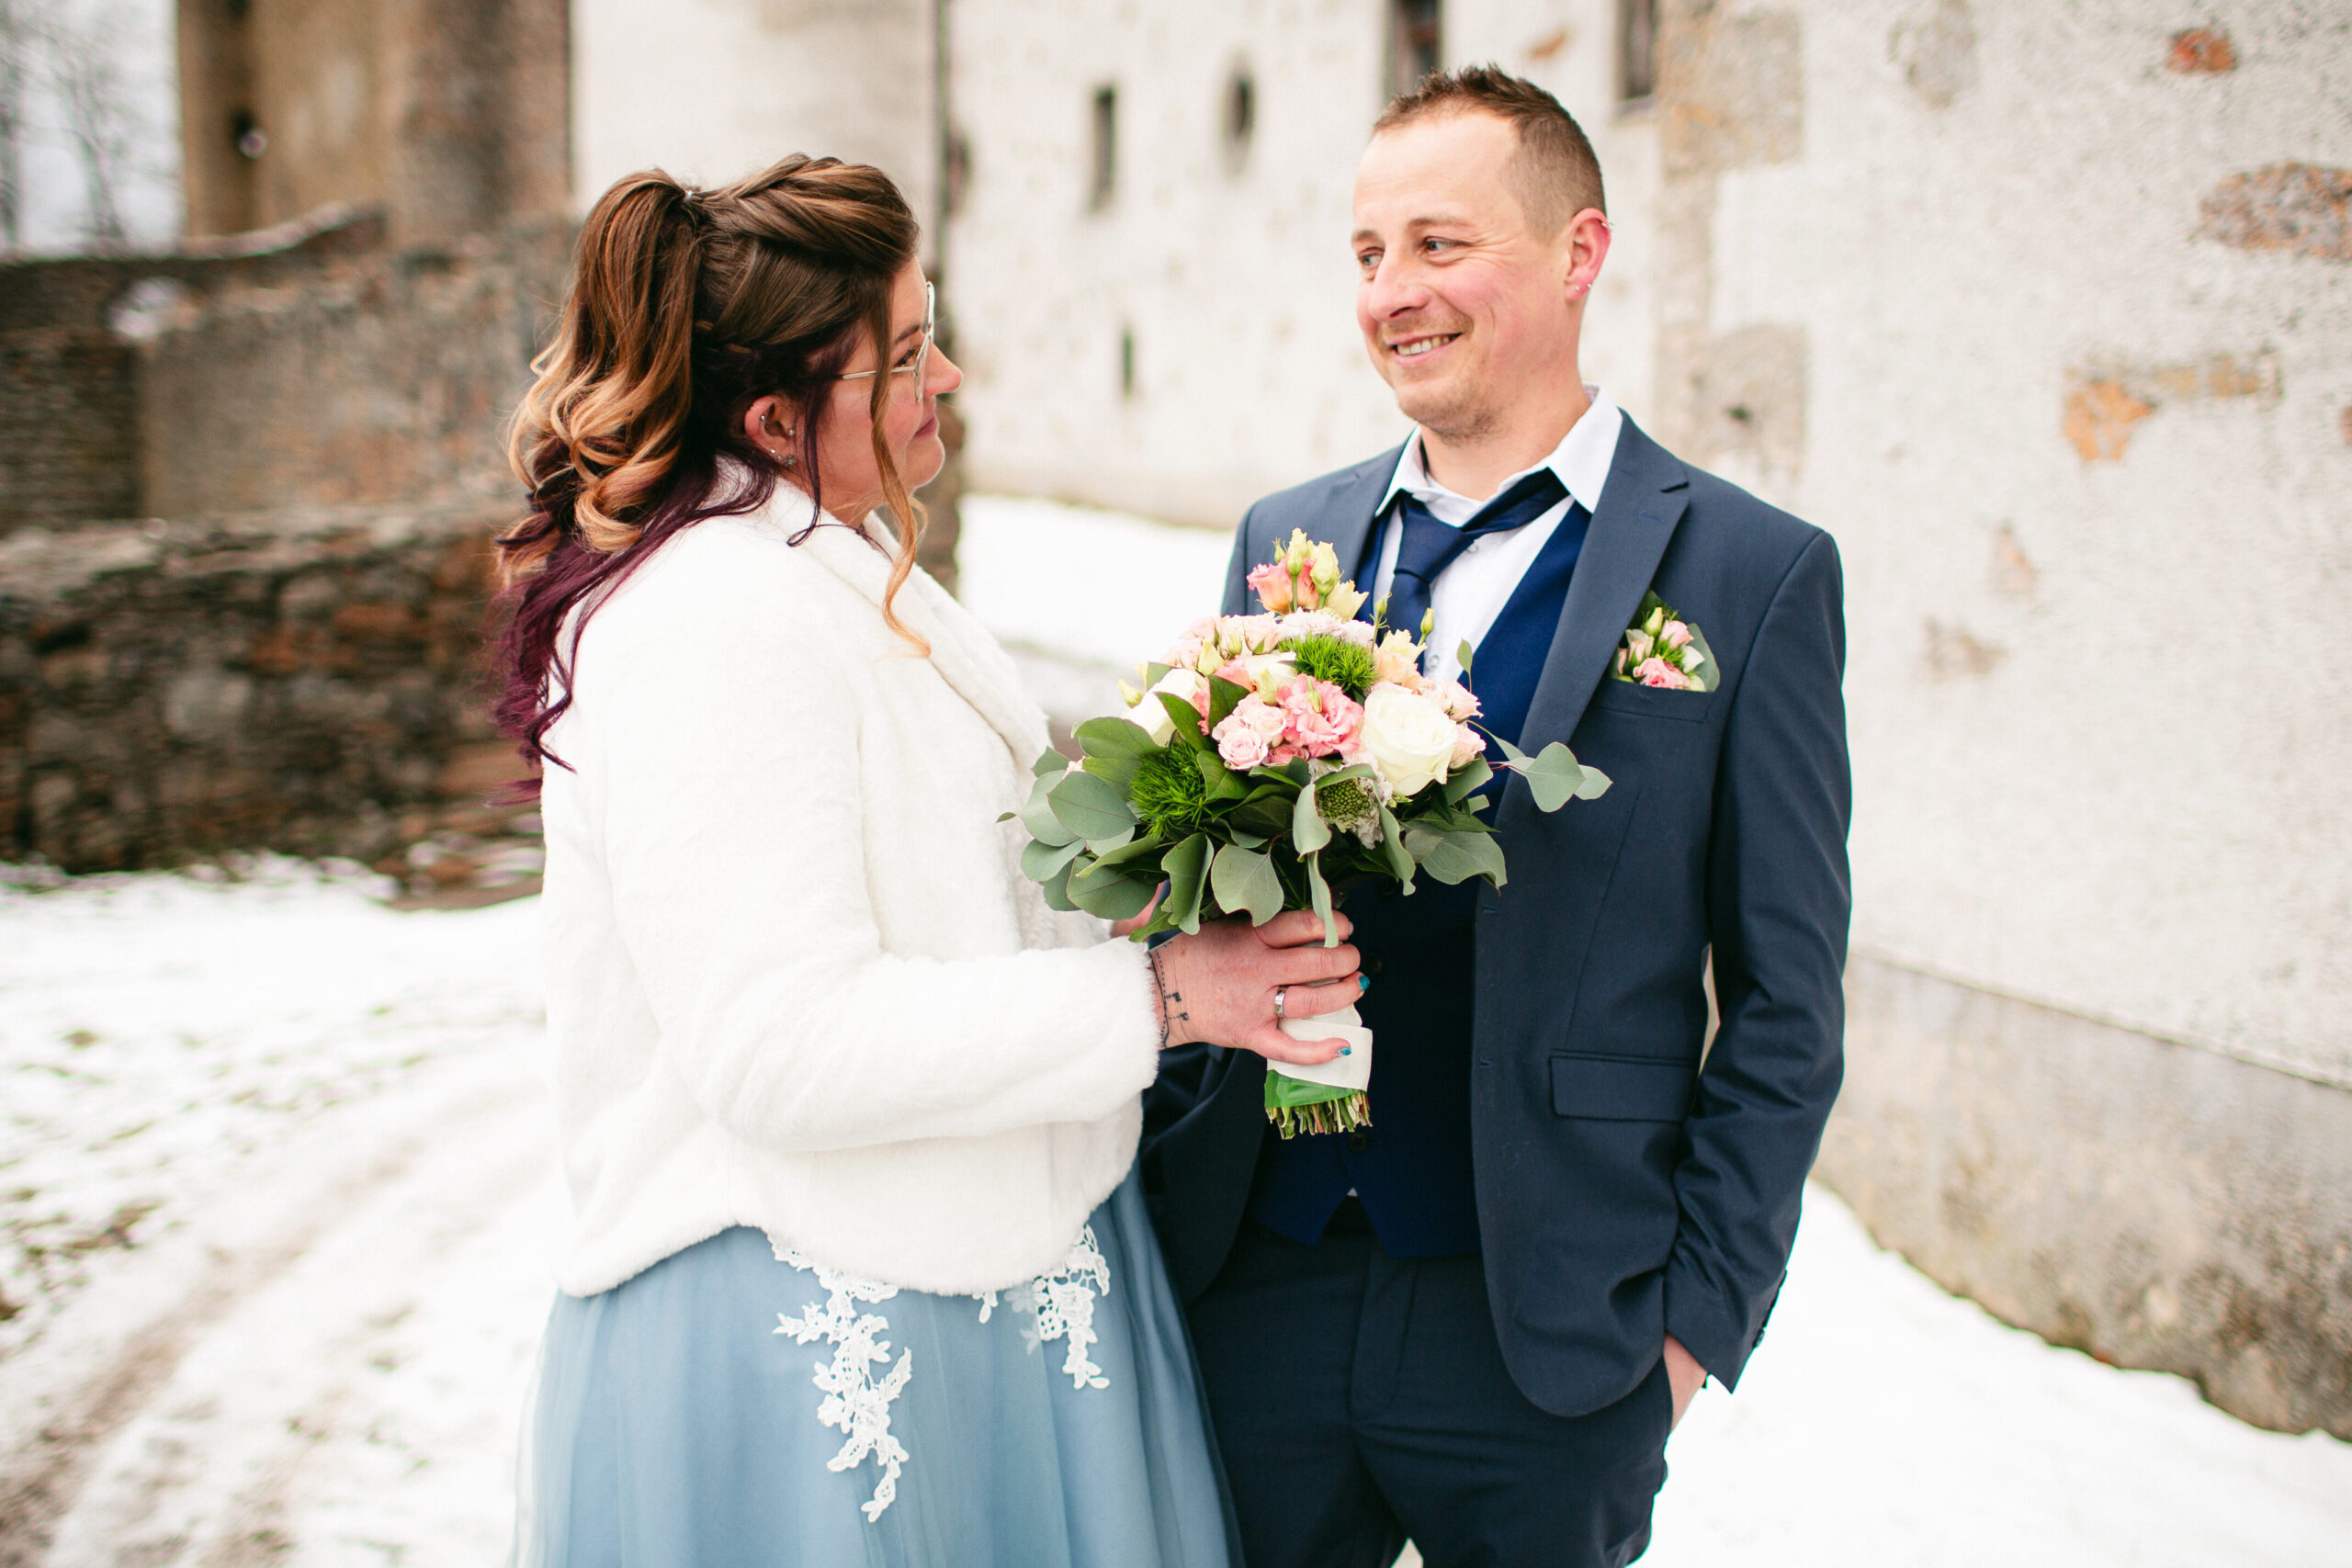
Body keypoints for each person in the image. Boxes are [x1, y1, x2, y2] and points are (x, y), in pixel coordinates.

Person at [493, 154, 1363, 1567]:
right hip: (816, 1340)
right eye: (902, 357)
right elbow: (778, 1043)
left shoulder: (829, 570)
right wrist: (1159, 999)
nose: (945, 376)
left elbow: (931, 898)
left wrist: (1131, 894)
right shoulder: (712, 618)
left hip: (982, 1283)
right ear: (777, 418)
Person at [1141, 67, 1852, 1568]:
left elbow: (1787, 1000)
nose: (1393, 292)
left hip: (1551, 1338)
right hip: (1261, 1292)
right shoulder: (1286, 536)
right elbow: (1214, 882)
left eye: (1439, 244)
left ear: (1580, 253)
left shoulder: (1751, 574)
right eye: (1368, 252)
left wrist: (1689, 1334)